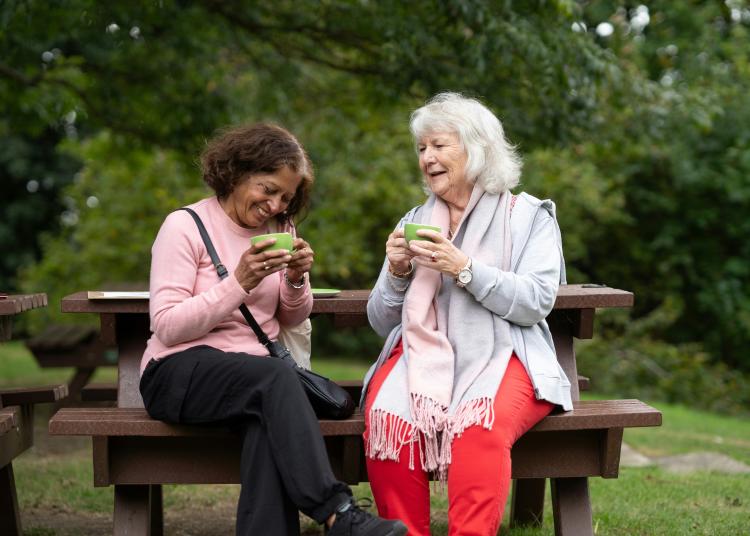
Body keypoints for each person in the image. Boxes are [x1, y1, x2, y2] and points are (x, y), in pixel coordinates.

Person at [139, 123, 407, 536]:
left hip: (255, 381)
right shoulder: (185, 226)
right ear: (237, 172)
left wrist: (298, 280)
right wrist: (239, 282)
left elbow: (291, 318)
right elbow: (168, 326)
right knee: (272, 380)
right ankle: (338, 513)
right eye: (267, 189)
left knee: (266, 422)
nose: (274, 204)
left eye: (285, 196)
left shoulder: (280, 229)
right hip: (177, 372)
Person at [363, 93, 573, 535]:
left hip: (506, 353)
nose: (427, 158)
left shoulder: (528, 217)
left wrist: (464, 269)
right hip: (423, 356)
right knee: (389, 422)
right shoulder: (416, 219)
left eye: (439, 145)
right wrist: (398, 272)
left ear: (476, 149)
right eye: (422, 148)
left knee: (479, 428)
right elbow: (382, 321)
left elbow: (536, 300)